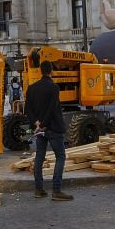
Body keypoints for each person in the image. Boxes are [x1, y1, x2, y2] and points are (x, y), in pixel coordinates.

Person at [25, 61, 73, 201]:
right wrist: (44, 124)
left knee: (40, 157)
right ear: (51, 71)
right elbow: (52, 109)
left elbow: (28, 109)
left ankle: (39, 189)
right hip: (53, 127)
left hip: (39, 129)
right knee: (60, 156)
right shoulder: (54, 87)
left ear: (40, 71)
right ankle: (56, 190)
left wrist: (37, 123)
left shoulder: (32, 88)